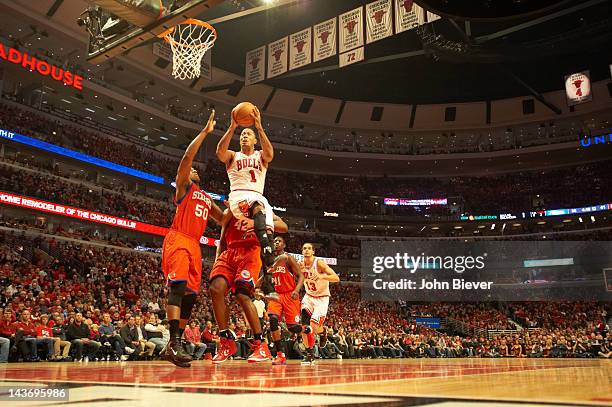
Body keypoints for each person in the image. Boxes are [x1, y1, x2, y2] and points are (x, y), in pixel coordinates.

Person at [162, 110, 222, 368]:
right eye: (191, 169)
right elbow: (187, 157)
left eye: (197, 170)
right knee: (177, 288)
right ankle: (174, 342)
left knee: (190, 296)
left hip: (195, 246)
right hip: (179, 240)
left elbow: (224, 219)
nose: (194, 169)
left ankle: (173, 345)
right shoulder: (184, 187)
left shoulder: (207, 198)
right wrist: (205, 133)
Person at [208, 211, 287, 364]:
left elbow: (284, 227)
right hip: (229, 252)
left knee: (242, 295)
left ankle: (260, 344)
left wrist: (258, 223)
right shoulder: (232, 207)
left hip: (250, 252)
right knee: (215, 288)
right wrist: (217, 260)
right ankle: (225, 341)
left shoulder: (259, 207)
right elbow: (222, 239)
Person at [216, 104, 276, 268]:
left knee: (269, 227)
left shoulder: (260, 156)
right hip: (238, 196)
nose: (244, 136)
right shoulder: (233, 155)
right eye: (242, 134)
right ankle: (267, 249)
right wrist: (232, 126)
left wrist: (259, 127)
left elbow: (270, 154)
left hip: (258, 196)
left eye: (248, 134)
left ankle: (268, 269)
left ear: (255, 140)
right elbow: (220, 153)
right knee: (257, 207)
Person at [265, 236, 304, 365]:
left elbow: (301, 276)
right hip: (276, 295)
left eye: (279, 241)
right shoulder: (271, 261)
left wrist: (296, 290)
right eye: (274, 241)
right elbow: (265, 276)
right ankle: (280, 354)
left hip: (289, 294)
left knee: (293, 328)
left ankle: (307, 331)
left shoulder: (288, 258)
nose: (276, 243)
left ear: (284, 245)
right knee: (273, 320)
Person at [299, 243, 340, 365]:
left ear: (313, 251)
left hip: (322, 298)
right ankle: (309, 354)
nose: (306, 250)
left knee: (315, 327)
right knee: (304, 327)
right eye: (304, 248)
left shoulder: (319, 263)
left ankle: (323, 332)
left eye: (309, 248)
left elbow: (336, 278)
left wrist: (321, 276)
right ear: (302, 252)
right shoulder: (300, 265)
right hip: (309, 297)